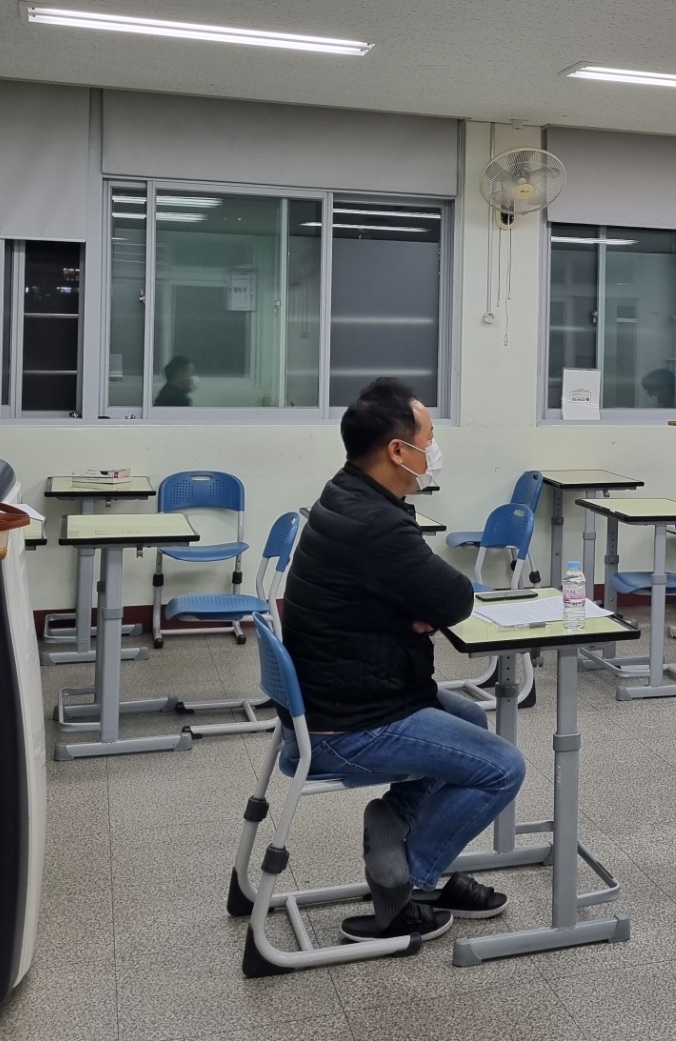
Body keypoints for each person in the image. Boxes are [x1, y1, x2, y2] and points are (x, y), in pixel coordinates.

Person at [280, 376, 526, 943]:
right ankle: (413, 884)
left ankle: (398, 823)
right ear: (397, 450)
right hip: (349, 721)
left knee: (471, 718)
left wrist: (416, 609)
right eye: (428, 438)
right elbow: (455, 599)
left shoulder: (345, 493)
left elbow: (419, 597)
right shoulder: (377, 523)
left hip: (345, 690)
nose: (433, 450)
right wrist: (421, 610)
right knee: (503, 767)